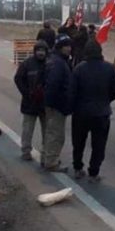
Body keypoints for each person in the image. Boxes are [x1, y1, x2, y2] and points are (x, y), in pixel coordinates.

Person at [71, 40, 115, 182]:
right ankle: (94, 172)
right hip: (102, 112)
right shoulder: (110, 68)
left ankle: (77, 168)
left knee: (78, 142)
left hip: (81, 112)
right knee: (99, 145)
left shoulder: (79, 68)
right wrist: (106, 100)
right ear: (100, 52)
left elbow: (72, 91)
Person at [43, 34, 74, 172]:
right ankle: (51, 162)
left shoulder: (56, 60)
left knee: (51, 133)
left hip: (54, 105)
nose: (69, 49)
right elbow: (53, 85)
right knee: (56, 135)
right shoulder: (59, 63)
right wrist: (56, 104)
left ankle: (48, 157)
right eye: (66, 46)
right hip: (57, 106)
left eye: (69, 46)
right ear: (60, 47)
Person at [14, 40, 49, 161]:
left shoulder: (50, 64)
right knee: (28, 129)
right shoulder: (27, 64)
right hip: (29, 103)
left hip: (45, 104)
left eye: (43, 51)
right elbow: (18, 79)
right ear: (35, 51)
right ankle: (26, 151)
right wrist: (27, 93)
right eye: (39, 50)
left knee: (47, 131)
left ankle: (46, 153)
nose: (41, 53)